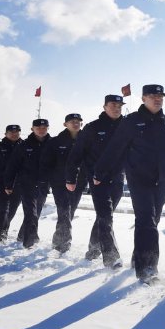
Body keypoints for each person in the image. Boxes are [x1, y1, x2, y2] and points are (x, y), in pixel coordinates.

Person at [95, 84, 165, 283]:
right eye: (152, 96)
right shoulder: (131, 121)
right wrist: (100, 171)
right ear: (143, 98)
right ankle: (147, 268)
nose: (157, 99)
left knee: (153, 220)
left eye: (160, 96)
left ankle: (138, 258)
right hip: (138, 179)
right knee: (146, 221)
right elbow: (115, 148)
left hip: (161, 180)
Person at [66, 94, 125, 268]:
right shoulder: (92, 128)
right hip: (98, 179)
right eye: (113, 105)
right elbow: (76, 154)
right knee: (106, 215)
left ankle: (93, 249)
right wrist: (71, 177)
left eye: (119, 105)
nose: (116, 108)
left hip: (119, 178)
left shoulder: (126, 126)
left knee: (105, 215)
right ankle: (111, 257)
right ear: (105, 106)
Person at [39, 113, 85, 253]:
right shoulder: (55, 142)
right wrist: (45, 182)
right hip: (59, 183)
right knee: (64, 210)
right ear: (65, 124)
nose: (75, 123)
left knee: (70, 211)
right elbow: (46, 163)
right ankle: (62, 245)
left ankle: (58, 240)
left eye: (78, 121)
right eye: (72, 121)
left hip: (79, 182)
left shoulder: (87, 140)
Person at [4, 119, 51, 248]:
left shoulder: (52, 144)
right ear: (32, 129)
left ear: (48, 128)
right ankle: (29, 243)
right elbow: (12, 166)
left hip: (43, 185)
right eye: (38, 127)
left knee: (37, 212)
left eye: (44, 127)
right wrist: (9, 184)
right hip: (26, 184)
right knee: (31, 213)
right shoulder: (24, 145)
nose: (41, 130)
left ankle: (22, 235)